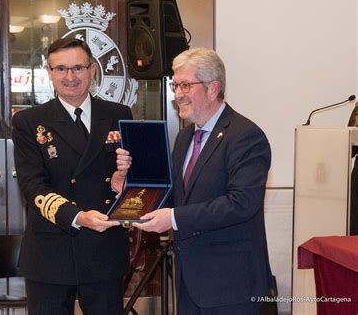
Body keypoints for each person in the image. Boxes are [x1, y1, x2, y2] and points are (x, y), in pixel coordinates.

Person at [117, 47, 274, 314]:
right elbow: (176, 196)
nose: (177, 94)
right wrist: (130, 189)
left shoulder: (246, 136)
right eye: (175, 85)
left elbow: (241, 203)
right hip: (190, 283)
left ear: (213, 88)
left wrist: (174, 218)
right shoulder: (185, 138)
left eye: (186, 85)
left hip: (231, 287)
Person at [12, 37, 132, 315]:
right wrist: (78, 217)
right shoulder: (29, 122)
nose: (70, 77)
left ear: (92, 70)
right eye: (61, 69)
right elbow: (32, 186)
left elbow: (132, 176)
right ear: (49, 73)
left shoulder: (118, 114)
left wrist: (121, 185)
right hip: (51, 248)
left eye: (78, 68)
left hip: (104, 246)